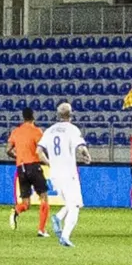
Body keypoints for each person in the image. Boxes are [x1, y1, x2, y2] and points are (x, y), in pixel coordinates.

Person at [39, 102, 88, 248]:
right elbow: (81, 148)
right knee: (75, 206)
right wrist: (87, 156)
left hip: (55, 174)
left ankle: (58, 217)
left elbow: (39, 152)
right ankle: (65, 236)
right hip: (68, 172)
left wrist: (50, 163)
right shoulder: (72, 129)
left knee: (72, 201)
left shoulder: (49, 130)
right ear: (71, 115)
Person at [7, 107, 50, 235]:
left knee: (26, 203)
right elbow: (41, 149)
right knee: (44, 198)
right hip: (33, 166)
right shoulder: (37, 131)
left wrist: (18, 156)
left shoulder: (16, 131)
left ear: (23, 117)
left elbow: (8, 150)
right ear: (33, 116)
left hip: (21, 168)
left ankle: (16, 210)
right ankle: (41, 230)